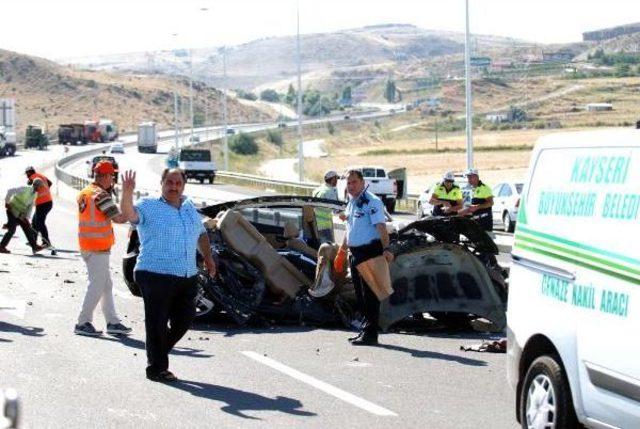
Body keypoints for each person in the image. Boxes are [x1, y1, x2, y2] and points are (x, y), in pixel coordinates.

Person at [120, 168, 217, 383]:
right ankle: (157, 368)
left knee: (185, 317)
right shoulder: (149, 205)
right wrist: (127, 192)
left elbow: (201, 233)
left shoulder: (189, 207)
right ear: (162, 183)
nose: (174, 186)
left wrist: (208, 258)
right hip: (154, 273)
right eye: (169, 182)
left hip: (186, 274)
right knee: (157, 321)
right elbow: (128, 215)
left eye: (178, 183)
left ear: (183, 185)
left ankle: (158, 352)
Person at [74, 161, 132, 337]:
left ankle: (112, 322)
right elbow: (120, 218)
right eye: (112, 177)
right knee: (97, 285)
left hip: (88, 245)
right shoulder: (100, 195)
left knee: (106, 285)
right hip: (97, 247)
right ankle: (83, 322)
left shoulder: (86, 192)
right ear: (106, 176)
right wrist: (127, 195)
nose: (113, 180)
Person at [339, 169, 394, 346]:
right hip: (355, 253)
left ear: (363, 183)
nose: (351, 186)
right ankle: (364, 329)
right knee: (361, 296)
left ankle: (371, 334)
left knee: (371, 295)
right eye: (348, 183)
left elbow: (380, 226)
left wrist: (386, 248)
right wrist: (342, 251)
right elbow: (350, 229)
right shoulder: (352, 202)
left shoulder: (372, 201)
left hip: (369, 252)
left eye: (354, 182)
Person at [0, 180, 48, 254]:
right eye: (41, 187)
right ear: (36, 186)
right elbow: (10, 191)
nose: (41, 189)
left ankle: (34, 247)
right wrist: (7, 202)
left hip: (20, 214)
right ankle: (1, 247)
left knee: (27, 228)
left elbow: (30, 207)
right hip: (12, 210)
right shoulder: (25, 188)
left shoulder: (35, 194)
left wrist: (26, 218)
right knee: (12, 229)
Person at [25, 166, 53, 246]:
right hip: (48, 202)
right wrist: (45, 191)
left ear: (29, 172)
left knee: (40, 223)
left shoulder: (31, 179)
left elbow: (29, 191)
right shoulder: (41, 176)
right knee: (35, 221)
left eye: (27, 174)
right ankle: (33, 241)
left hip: (42, 204)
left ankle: (46, 242)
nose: (27, 176)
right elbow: (50, 183)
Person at [312, 170, 340, 243]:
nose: (337, 181)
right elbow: (336, 210)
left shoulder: (317, 190)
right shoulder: (330, 191)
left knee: (319, 245)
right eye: (336, 179)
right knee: (329, 246)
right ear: (332, 179)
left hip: (315, 222)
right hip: (325, 224)